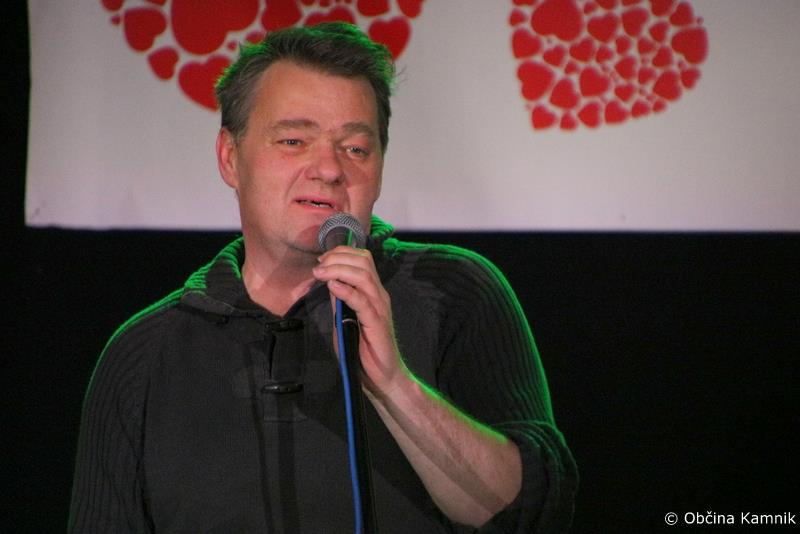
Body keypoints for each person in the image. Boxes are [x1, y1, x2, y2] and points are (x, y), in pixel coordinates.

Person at [69, 23, 577, 533]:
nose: (330, 170)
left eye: (355, 148)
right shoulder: (144, 354)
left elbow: (531, 515)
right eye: (294, 140)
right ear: (230, 157)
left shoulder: (453, 293)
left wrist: (395, 386)